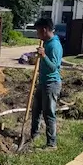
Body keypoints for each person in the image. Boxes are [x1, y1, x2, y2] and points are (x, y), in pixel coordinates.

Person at [31, 18, 63, 149]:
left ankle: (51, 144)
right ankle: (34, 135)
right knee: (36, 110)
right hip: (43, 82)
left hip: (51, 84)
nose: (37, 34)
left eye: (38, 31)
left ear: (44, 30)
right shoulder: (47, 42)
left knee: (49, 113)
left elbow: (53, 68)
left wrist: (44, 55)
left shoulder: (54, 46)